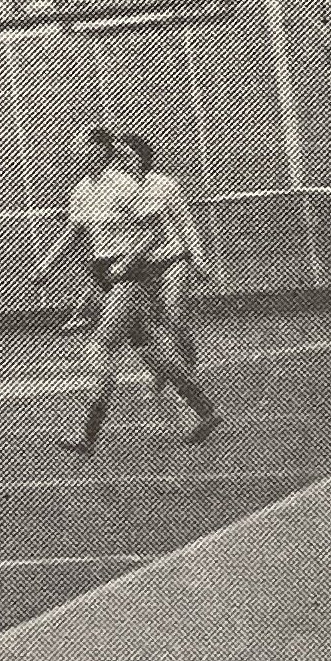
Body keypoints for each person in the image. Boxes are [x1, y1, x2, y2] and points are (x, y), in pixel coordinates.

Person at [32, 128, 218, 455]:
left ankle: (87, 436)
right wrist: (46, 265)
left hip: (128, 277)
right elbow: (72, 233)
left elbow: (155, 231)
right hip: (106, 274)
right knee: (150, 351)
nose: (75, 152)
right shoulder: (82, 190)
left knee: (100, 347)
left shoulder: (124, 185)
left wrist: (127, 262)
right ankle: (206, 411)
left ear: (99, 150)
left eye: (81, 147)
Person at [120, 134, 211, 375]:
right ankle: (164, 373)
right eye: (118, 157)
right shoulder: (118, 192)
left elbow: (185, 223)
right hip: (141, 266)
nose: (122, 161)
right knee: (147, 326)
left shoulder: (164, 185)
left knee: (174, 316)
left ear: (141, 158)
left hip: (172, 260)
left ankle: (191, 370)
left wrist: (198, 258)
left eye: (127, 156)